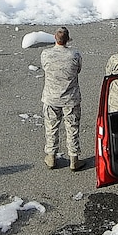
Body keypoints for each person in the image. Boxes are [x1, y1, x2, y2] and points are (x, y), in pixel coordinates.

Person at [38, 27, 84, 170]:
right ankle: (74, 158)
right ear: (68, 39)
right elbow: (79, 70)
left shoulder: (46, 54)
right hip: (70, 98)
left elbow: (45, 68)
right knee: (72, 128)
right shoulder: (75, 55)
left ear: (54, 38)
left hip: (51, 97)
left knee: (51, 128)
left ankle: (51, 156)